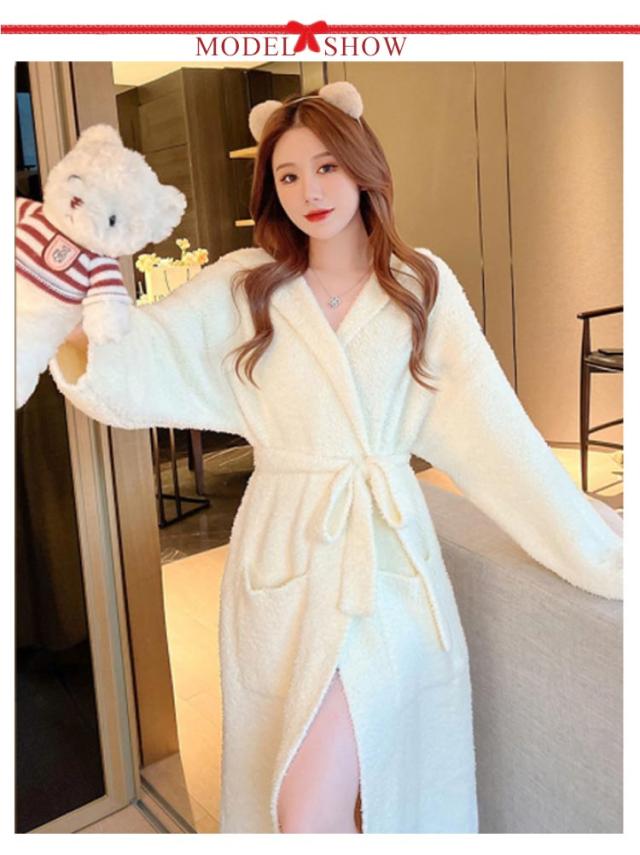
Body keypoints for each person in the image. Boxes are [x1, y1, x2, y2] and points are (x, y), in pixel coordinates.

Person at [52, 82, 622, 834]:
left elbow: (497, 435)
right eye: (288, 176)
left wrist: (593, 548)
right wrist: (64, 310)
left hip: (383, 561)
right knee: (294, 794)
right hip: (282, 557)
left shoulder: (421, 286)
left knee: (315, 805)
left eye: (326, 166)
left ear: (362, 166)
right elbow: (143, 354)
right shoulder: (245, 286)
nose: (309, 192)